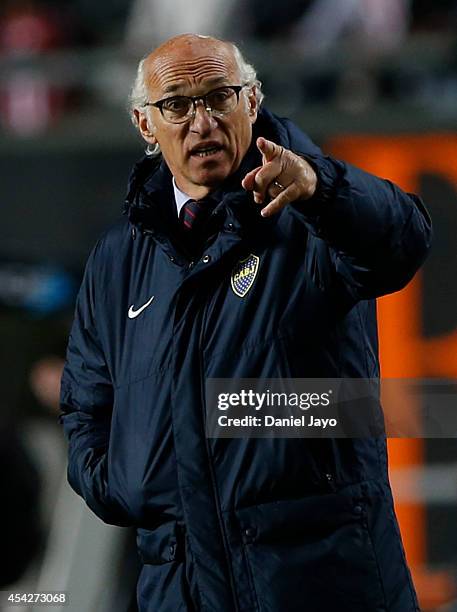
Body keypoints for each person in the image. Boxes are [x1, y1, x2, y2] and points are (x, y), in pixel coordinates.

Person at [60, 34, 432, 612]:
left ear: (252, 103)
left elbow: (402, 241)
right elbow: (86, 405)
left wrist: (323, 191)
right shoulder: (117, 260)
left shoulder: (313, 210)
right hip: (177, 585)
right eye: (177, 104)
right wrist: (122, 483)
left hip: (319, 579)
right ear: (144, 125)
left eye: (219, 97)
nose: (202, 121)